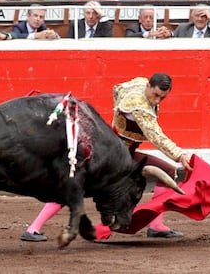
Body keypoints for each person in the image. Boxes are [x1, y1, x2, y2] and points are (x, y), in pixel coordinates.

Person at [21, 73, 193, 242]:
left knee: (168, 171)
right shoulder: (138, 107)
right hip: (115, 158)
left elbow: (117, 89)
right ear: (148, 86)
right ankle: (33, 228)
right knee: (74, 185)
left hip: (124, 153)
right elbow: (156, 136)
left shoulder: (139, 83)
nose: (157, 101)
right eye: (155, 95)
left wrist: (118, 115)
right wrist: (179, 155)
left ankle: (156, 226)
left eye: (162, 98)